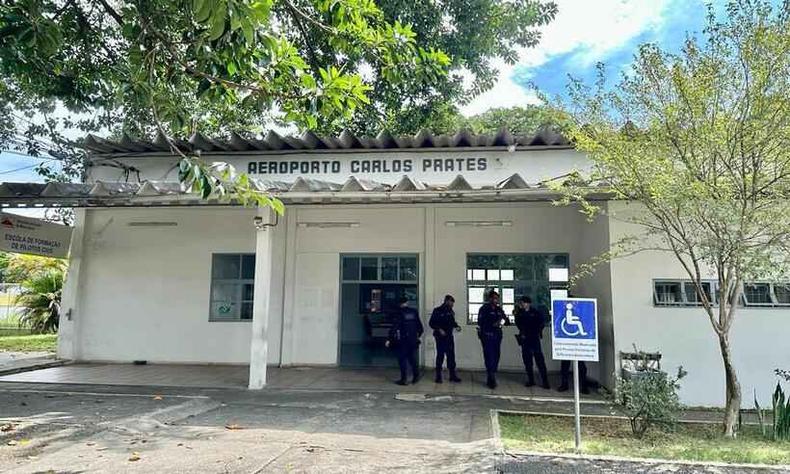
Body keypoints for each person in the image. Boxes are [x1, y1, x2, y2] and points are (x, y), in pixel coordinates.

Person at [514, 296, 550, 389]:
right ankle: (531, 380)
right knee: (527, 361)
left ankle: (545, 381)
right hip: (525, 339)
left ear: (528, 303)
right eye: (521, 303)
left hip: (534, 338)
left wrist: (536, 331)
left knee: (539, 361)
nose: (521, 304)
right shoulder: (520, 313)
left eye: (523, 303)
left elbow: (541, 323)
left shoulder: (535, 313)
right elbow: (518, 323)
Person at [387, 296, 424, 385]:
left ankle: (404, 379)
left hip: (402, 340)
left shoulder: (399, 313)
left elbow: (395, 327)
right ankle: (416, 377)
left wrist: (389, 339)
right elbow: (420, 327)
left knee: (402, 360)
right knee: (412, 359)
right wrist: (418, 336)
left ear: (399, 304)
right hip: (413, 340)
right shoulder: (414, 312)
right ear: (407, 302)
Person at [477, 289, 509, 389]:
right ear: (490, 298)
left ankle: (492, 374)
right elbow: (480, 322)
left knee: (496, 356)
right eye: (494, 298)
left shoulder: (499, 309)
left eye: (497, 298)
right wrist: (492, 324)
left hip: (497, 336)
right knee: (489, 357)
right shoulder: (484, 309)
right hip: (487, 336)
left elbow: (506, 320)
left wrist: (502, 322)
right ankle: (491, 378)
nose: (496, 300)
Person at [558, 293, 589, 394]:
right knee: (565, 365)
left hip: (577, 341)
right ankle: (564, 384)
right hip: (566, 340)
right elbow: (558, 322)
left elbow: (585, 321)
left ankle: (583, 386)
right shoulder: (563, 312)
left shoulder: (579, 311)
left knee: (581, 366)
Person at [429, 295, 462, 384]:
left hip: (449, 336)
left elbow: (452, 322)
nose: (452, 304)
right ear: (447, 301)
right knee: (440, 355)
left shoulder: (450, 311)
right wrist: (439, 329)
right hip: (440, 337)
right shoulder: (437, 310)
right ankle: (438, 376)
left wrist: (457, 326)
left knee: (451, 356)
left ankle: (452, 375)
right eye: (451, 302)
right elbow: (431, 323)